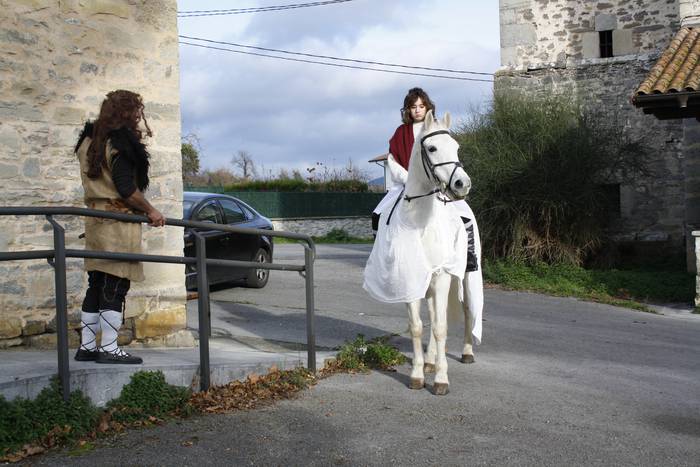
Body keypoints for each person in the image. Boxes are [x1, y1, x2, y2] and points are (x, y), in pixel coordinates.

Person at [73, 90, 165, 364]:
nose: (138, 116)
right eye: (136, 111)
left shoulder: (89, 140)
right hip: (118, 222)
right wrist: (151, 210)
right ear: (126, 112)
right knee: (114, 285)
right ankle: (109, 348)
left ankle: (87, 347)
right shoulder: (119, 143)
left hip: (96, 220)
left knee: (96, 284)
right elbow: (126, 189)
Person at [372, 87, 479, 272]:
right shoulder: (401, 132)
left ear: (428, 107)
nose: (418, 110)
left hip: (437, 185)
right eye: (413, 107)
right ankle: (382, 256)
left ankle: (469, 256)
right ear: (408, 110)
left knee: (465, 214)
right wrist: (409, 179)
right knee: (378, 214)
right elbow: (392, 160)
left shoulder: (436, 128)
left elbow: (446, 155)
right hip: (405, 185)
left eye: (421, 106)